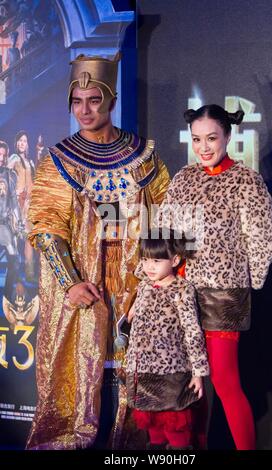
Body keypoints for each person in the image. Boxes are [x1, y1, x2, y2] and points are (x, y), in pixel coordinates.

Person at [25, 52, 170, 450]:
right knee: (82, 394)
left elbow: (167, 223)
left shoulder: (143, 157)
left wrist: (159, 282)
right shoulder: (58, 161)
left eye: (93, 99)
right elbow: (46, 228)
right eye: (77, 101)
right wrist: (71, 283)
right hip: (84, 295)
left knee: (134, 394)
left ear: (111, 100)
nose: (84, 110)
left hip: (137, 290)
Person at [157, 104, 272, 450]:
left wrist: (247, 282)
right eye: (197, 139)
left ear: (227, 135)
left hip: (225, 296)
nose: (204, 147)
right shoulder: (184, 178)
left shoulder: (246, 180)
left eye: (211, 138)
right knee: (188, 385)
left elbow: (263, 239)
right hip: (183, 293)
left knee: (224, 381)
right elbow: (163, 232)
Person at [126, 228, 209, 450]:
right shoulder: (144, 287)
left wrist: (198, 373)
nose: (149, 266)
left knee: (176, 432)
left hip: (172, 375)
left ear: (174, 259)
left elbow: (193, 331)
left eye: (156, 260)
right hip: (144, 373)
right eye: (145, 260)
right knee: (154, 434)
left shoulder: (182, 290)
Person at [8, 130, 35, 280]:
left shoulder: (30, 162)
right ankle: (13, 274)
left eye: (24, 141)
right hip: (17, 204)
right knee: (14, 239)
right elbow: (4, 175)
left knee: (28, 240)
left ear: (27, 144)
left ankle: (30, 273)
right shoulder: (13, 158)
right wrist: (16, 193)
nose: (21, 143)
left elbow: (33, 183)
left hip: (29, 206)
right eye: (19, 140)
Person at [0, 140, 22, 301]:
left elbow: (14, 201)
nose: (1, 158)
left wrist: (19, 220)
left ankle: (7, 296)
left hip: (3, 224)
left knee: (14, 261)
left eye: (3, 155)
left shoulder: (8, 175)